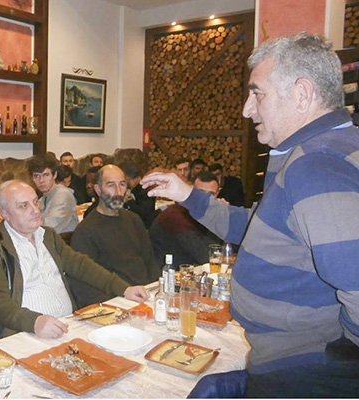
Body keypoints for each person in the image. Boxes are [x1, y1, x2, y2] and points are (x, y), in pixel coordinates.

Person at [141, 33, 359, 397]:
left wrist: (339, 354)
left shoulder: (316, 166)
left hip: (306, 374)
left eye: (257, 93)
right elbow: (262, 229)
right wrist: (188, 195)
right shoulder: (324, 150)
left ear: (302, 94)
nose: (247, 110)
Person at [0, 180, 149, 342]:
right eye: (23, 206)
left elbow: (81, 265)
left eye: (35, 202)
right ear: (5, 213)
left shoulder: (48, 236)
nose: (35, 210)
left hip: (67, 326)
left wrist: (124, 288)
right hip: (22, 334)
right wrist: (34, 322)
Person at [68, 165, 156, 308]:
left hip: (146, 296)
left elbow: (151, 263)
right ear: (98, 190)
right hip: (115, 302)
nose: (118, 191)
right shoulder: (85, 231)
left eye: (122, 184)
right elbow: (83, 286)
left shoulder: (134, 220)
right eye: (111, 185)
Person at [149, 171, 222, 267]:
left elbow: (226, 247)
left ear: (218, 194)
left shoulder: (201, 214)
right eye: (201, 192)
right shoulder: (176, 215)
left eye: (211, 194)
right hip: (166, 272)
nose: (205, 198)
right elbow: (206, 255)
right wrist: (217, 218)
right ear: (191, 190)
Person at [28, 154, 78, 234]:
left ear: (54, 175)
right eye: (37, 176)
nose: (41, 180)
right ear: (32, 178)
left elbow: (49, 228)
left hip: (64, 240)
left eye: (46, 175)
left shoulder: (63, 195)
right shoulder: (42, 199)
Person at [119, 160, 157, 228]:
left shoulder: (146, 190)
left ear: (127, 177)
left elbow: (144, 212)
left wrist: (127, 202)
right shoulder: (133, 189)